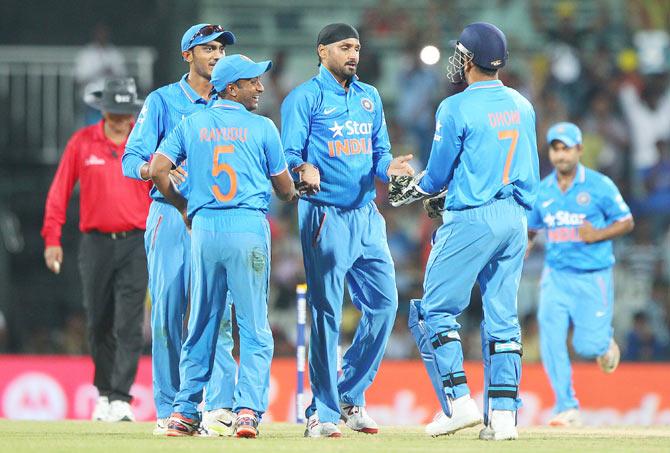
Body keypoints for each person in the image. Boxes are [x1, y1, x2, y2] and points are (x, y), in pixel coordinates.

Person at [390, 22, 539, 441]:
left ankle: (459, 404)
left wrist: (407, 186)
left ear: (468, 59)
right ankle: (505, 418)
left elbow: (435, 178)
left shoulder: (454, 107)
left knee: (432, 311)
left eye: (459, 52)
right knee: (503, 318)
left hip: (472, 217)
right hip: (515, 218)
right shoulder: (522, 105)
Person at [150, 54, 303, 438]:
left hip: (203, 229)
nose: (261, 87)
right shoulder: (263, 127)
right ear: (231, 88)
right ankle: (247, 411)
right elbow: (285, 192)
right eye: (253, 81)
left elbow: (156, 169)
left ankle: (184, 412)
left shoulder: (192, 122)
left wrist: (183, 205)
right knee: (253, 325)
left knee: (201, 322)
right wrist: (298, 185)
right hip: (247, 227)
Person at [281, 23, 414, 438]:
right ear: (322, 52)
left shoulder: (370, 98)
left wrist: (388, 169)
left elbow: (380, 154)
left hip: (367, 216)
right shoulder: (303, 98)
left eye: (357, 47)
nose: (353, 54)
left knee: (385, 304)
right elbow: (286, 156)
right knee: (326, 313)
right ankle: (322, 412)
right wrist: (303, 168)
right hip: (324, 215)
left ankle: (350, 395)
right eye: (345, 47)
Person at [121, 24, 239, 436]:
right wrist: (155, 169)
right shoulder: (163, 101)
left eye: (221, 49)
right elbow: (131, 157)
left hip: (217, 215)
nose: (217, 55)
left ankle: (219, 407)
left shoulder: (233, 100)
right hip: (169, 214)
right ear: (187, 54)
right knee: (169, 311)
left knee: (217, 311)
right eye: (208, 48)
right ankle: (170, 409)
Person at [41, 77, 150, 422]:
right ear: (104, 110)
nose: (119, 119)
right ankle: (104, 392)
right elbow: (59, 191)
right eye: (114, 112)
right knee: (99, 320)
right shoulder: (82, 142)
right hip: (96, 243)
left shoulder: (146, 140)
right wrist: (52, 239)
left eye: (124, 112)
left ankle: (121, 396)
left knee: (130, 322)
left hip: (136, 242)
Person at [527, 122, 634, 427]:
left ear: (579, 150)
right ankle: (566, 405)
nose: (561, 155)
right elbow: (533, 227)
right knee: (551, 339)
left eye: (567, 149)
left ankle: (604, 344)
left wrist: (598, 234)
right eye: (556, 149)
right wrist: (526, 245)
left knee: (588, 347)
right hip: (556, 276)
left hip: (593, 276)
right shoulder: (543, 190)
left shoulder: (599, 186)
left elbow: (626, 222)